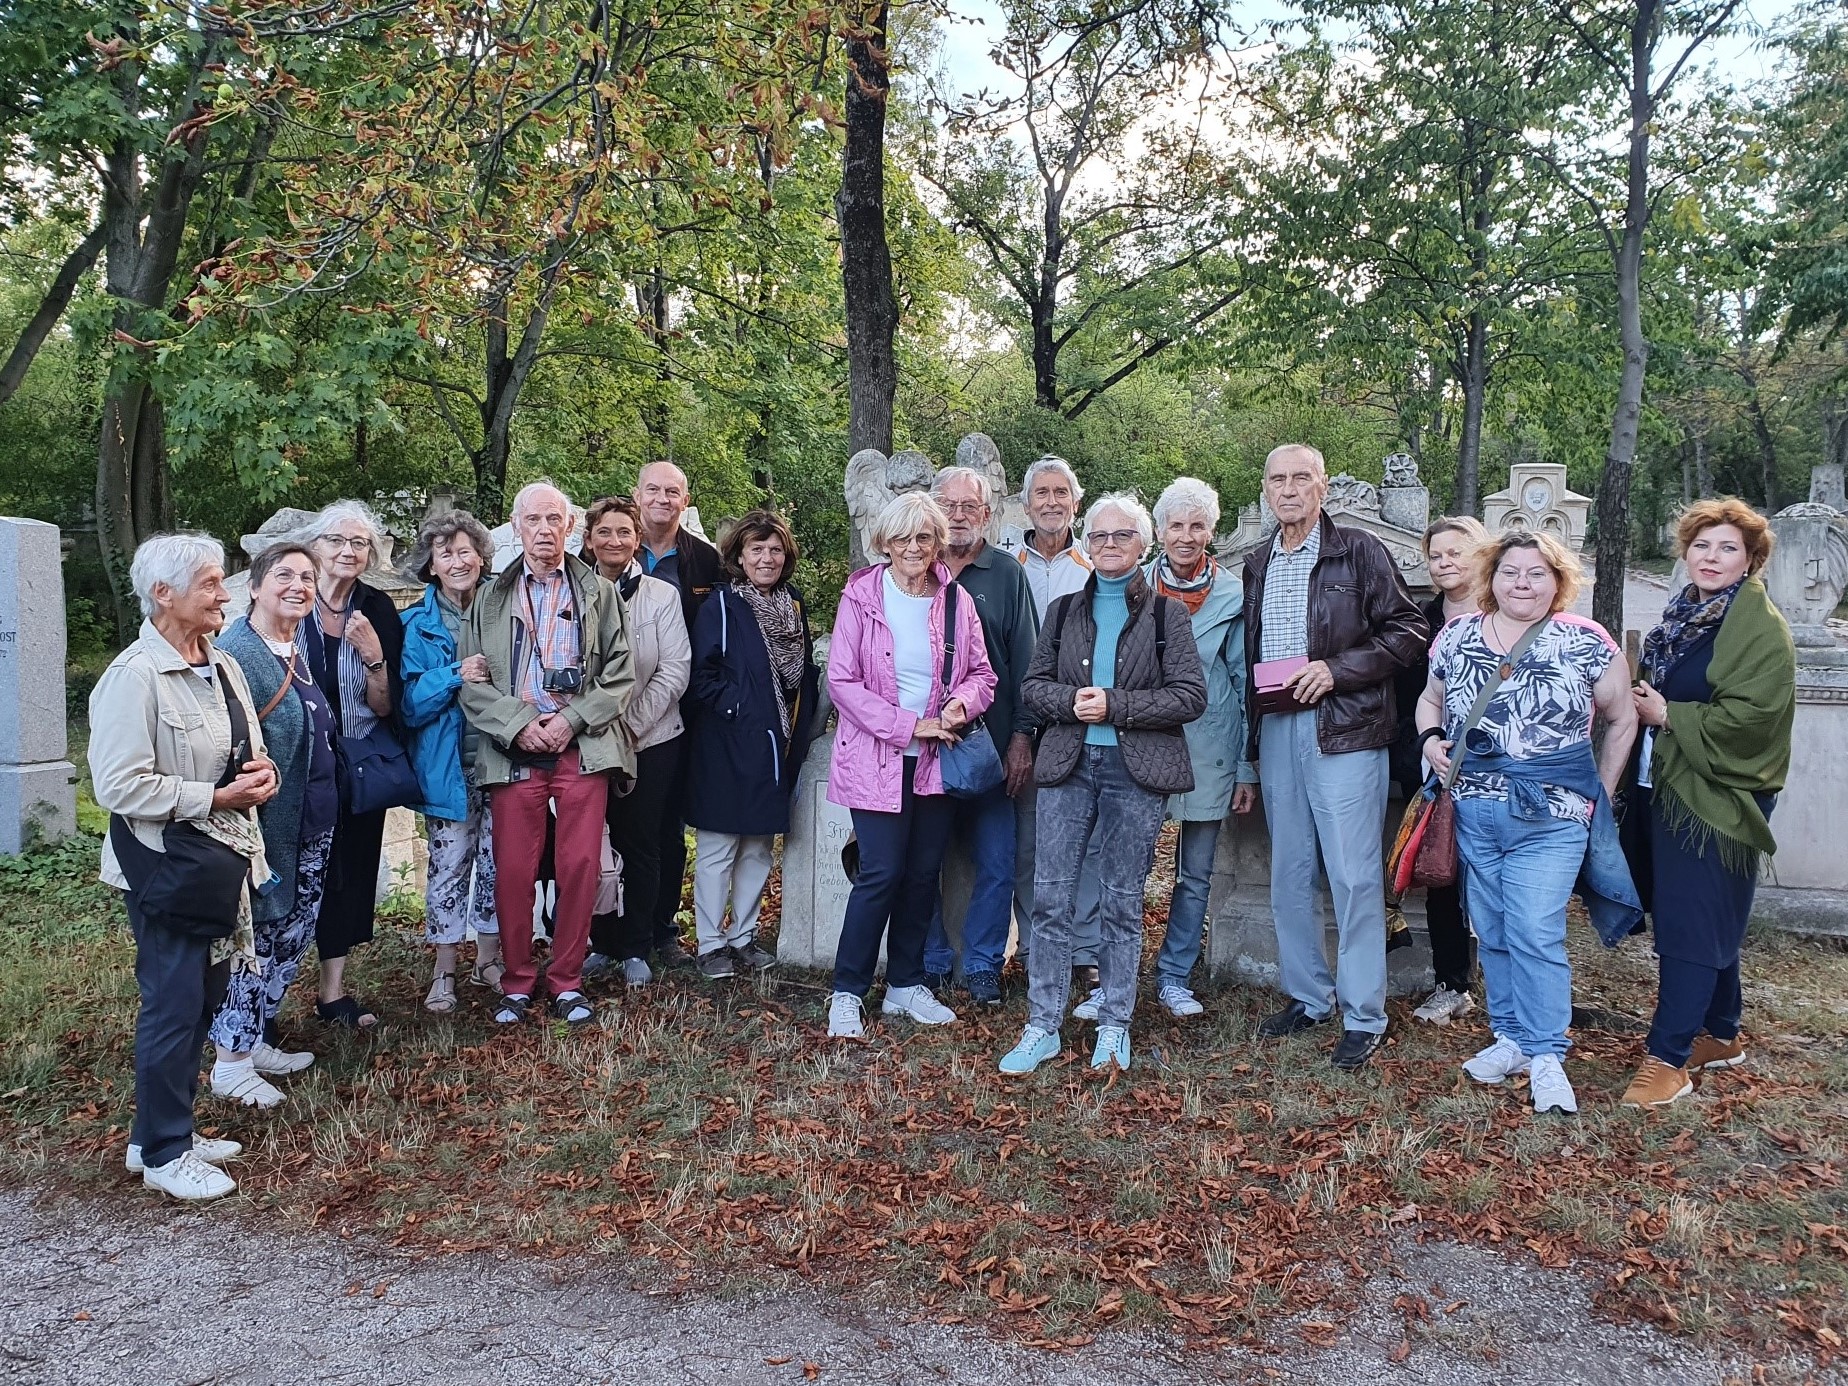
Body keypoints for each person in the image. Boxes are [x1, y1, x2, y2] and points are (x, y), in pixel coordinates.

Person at [1414, 531, 1639, 1115]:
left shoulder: (1586, 642)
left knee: (1535, 929)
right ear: (1491, 577)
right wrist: (1431, 738)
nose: (1522, 583)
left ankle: (1546, 1053)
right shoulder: (1459, 636)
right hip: (1474, 809)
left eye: (1536, 573)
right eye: (1511, 572)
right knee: (1491, 928)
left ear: (1558, 581)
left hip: (1552, 813)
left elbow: (1621, 720)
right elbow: (1430, 700)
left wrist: (1600, 795)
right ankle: (1511, 1037)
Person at [89, 533, 277, 1200]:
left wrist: (262, 774)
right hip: (166, 867)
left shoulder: (219, 663)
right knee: (172, 1004)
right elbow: (117, 785)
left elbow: (247, 747)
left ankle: (156, 1134)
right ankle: (168, 1155)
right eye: (209, 583)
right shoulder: (133, 677)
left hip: (218, 862)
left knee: (202, 999)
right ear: (163, 594)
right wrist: (214, 797)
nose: (223, 593)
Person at [999, 494, 1207, 1075]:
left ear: (1144, 545)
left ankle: (1114, 1025)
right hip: (1065, 768)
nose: (1109, 545)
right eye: (1099, 536)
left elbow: (1190, 697)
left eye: (1122, 536)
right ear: (1087, 545)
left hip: (1135, 773)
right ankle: (1042, 1026)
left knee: (1121, 901)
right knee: (1051, 898)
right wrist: (1071, 702)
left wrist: (1116, 705)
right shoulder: (1064, 611)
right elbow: (1032, 687)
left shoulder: (1168, 616)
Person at [1243, 444, 1427, 1071]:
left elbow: (1407, 632)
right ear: (1265, 488)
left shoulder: (1359, 551)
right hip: (1277, 729)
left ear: (1322, 486)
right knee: (1290, 871)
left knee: (1352, 876)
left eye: (1301, 478)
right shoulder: (1259, 561)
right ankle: (1308, 996)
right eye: (1277, 479)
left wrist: (1338, 669)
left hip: (1345, 730)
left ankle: (1363, 1013)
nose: (1288, 490)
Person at [1621, 500, 1795, 1108]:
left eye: (1727, 548)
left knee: (1691, 923)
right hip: (1665, 784)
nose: (1712, 558)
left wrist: (1667, 713)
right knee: (1697, 913)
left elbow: (1754, 720)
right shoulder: (1685, 616)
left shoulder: (1758, 628)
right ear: (1686, 552)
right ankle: (1721, 1034)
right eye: (1702, 546)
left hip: (1715, 797)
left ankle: (1668, 1060)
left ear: (1751, 560)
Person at [459, 481, 636, 1027]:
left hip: (580, 745)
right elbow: (470, 683)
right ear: (516, 529)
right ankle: (515, 981)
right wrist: (521, 724)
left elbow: (619, 674)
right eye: (532, 520)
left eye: (553, 520)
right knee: (512, 868)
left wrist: (570, 720)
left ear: (570, 528)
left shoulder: (598, 593)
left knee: (579, 865)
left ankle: (566, 980)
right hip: (515, 749)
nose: (543, 531)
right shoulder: (489, 597)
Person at [826, 493, 999, 1038]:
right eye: (902, 539)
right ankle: (847, 993)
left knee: (924, 876)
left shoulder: (954, 600)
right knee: (879, 874)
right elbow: (841, 682)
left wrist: (959, 705)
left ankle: (904, 985)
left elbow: (982, 674)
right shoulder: (860, 597)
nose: (913, 548)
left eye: (924, 538)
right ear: (885, 542)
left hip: (936, 762)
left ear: (936, 543)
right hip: (876, 758)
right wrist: (908, 725)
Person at [208, 542, 337, 1107]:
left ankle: (256, 1034)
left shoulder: (293, 646)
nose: (299, 586)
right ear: (254, 587)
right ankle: (230, 1061)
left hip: (311, 821)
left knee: (293, 932)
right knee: (256, 937)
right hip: (264, 828)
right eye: (284, 575)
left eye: (308, 577)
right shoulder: (237, 653)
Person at [919, 467, 1040, 1006]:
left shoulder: (1006, 574)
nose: (960, 513)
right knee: (923, 860)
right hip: (923, 748)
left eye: (971, 505)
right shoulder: (911, 568)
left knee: (999, 861)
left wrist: (1021, 739)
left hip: (990, 751)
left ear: (987, 514)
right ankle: (931, 960)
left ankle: (984, 964)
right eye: (950, 504)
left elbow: (1027, 666)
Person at [684, 508, 820, 980]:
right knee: (719, 847)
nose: (767, 558)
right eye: (757, 549)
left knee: (759, 847)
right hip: (727, 744)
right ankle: (709, 943)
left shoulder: (794, 604)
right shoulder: (723, 605)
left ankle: (742, 938)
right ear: (739, 556)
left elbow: (799, 674)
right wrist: (741, 708)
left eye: (775, 549)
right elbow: (700, 675)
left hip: (777, 746)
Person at [1144, 478, 1256, 1019]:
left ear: (1212, 531)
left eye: (1197, 525)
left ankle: (1174, 975)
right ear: (1159, 531)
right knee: (1128, 866)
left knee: (1195, 873)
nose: (1186, 536)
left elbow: (1242, 684)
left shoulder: (1234, 595)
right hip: (1142, 746)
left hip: (1210, 747)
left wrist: (1245, 768)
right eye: (1176, 525)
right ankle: (1111, 972)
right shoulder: (1133, 586)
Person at [300, 500, 406, 1028]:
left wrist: (373, 655)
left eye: (359, 543)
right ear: (315, 546)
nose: (348, 551)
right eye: (337, 541)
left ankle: (333, 992)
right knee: (293, 875)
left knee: (350, 871)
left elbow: (387, 705)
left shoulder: (377, 609)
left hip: (359, 762)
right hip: (298, 765)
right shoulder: (292, 599)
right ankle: (265, 996)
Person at [581, 495, 692, 988]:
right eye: (604, 532)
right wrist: (592, 725)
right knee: (590, 845)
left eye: (625, 532)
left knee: (641, 843)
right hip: (584, 740)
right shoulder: (570, 595)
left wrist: (630, 727)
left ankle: (637, 943)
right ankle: (599, 940)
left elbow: (674, 670)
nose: (615, 541)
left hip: (651, 738)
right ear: (589, 540)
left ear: (637, 540)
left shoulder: (660, 596)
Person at [1003, 454, 1101, 1000]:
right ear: (1025, 504)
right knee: (1027, 845)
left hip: (1076, 726)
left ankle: (1084, 952)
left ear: (1076, 502)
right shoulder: (1003, 565)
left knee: (1082, 843)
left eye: (1061, 493)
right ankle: (1039, 948)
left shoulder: (1094, 569)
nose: (1051, 502)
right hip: (1017, 725)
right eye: (1041, 493)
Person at [400, 510, 502, 1011]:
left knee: (498, 866)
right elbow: (410, 705)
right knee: (447, 868)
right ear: (431, 565)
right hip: (447, 768)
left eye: (466, 551)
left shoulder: (506, 608)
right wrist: (455, 674)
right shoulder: (414, 625)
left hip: (503, 761)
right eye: (446, 553)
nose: (458, 561)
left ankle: (488, 961)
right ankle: (444, 970)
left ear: (482, 558)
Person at [1391, 516, 1491, 1027]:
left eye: (1457, 552)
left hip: (1500, 768)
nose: (1446, 563)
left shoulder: (1508, 614)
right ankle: (1452, 983)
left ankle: (1517, 987)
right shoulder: (1418, 621)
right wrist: (1420, 750)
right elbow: (1408, 695)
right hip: (1434, 768)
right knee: (1442, 875)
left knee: (1500, 882)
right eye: (1437, 555)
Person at [632, 460, 723, 968]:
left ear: (685, 501)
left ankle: (662, 928)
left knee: (665, 822)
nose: (663, 499)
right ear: (637, 494)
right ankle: (610, 929)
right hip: (609, 710)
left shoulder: (705, 561)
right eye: (653, 489)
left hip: (681, 711)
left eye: (673, 491)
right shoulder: (607, 548)